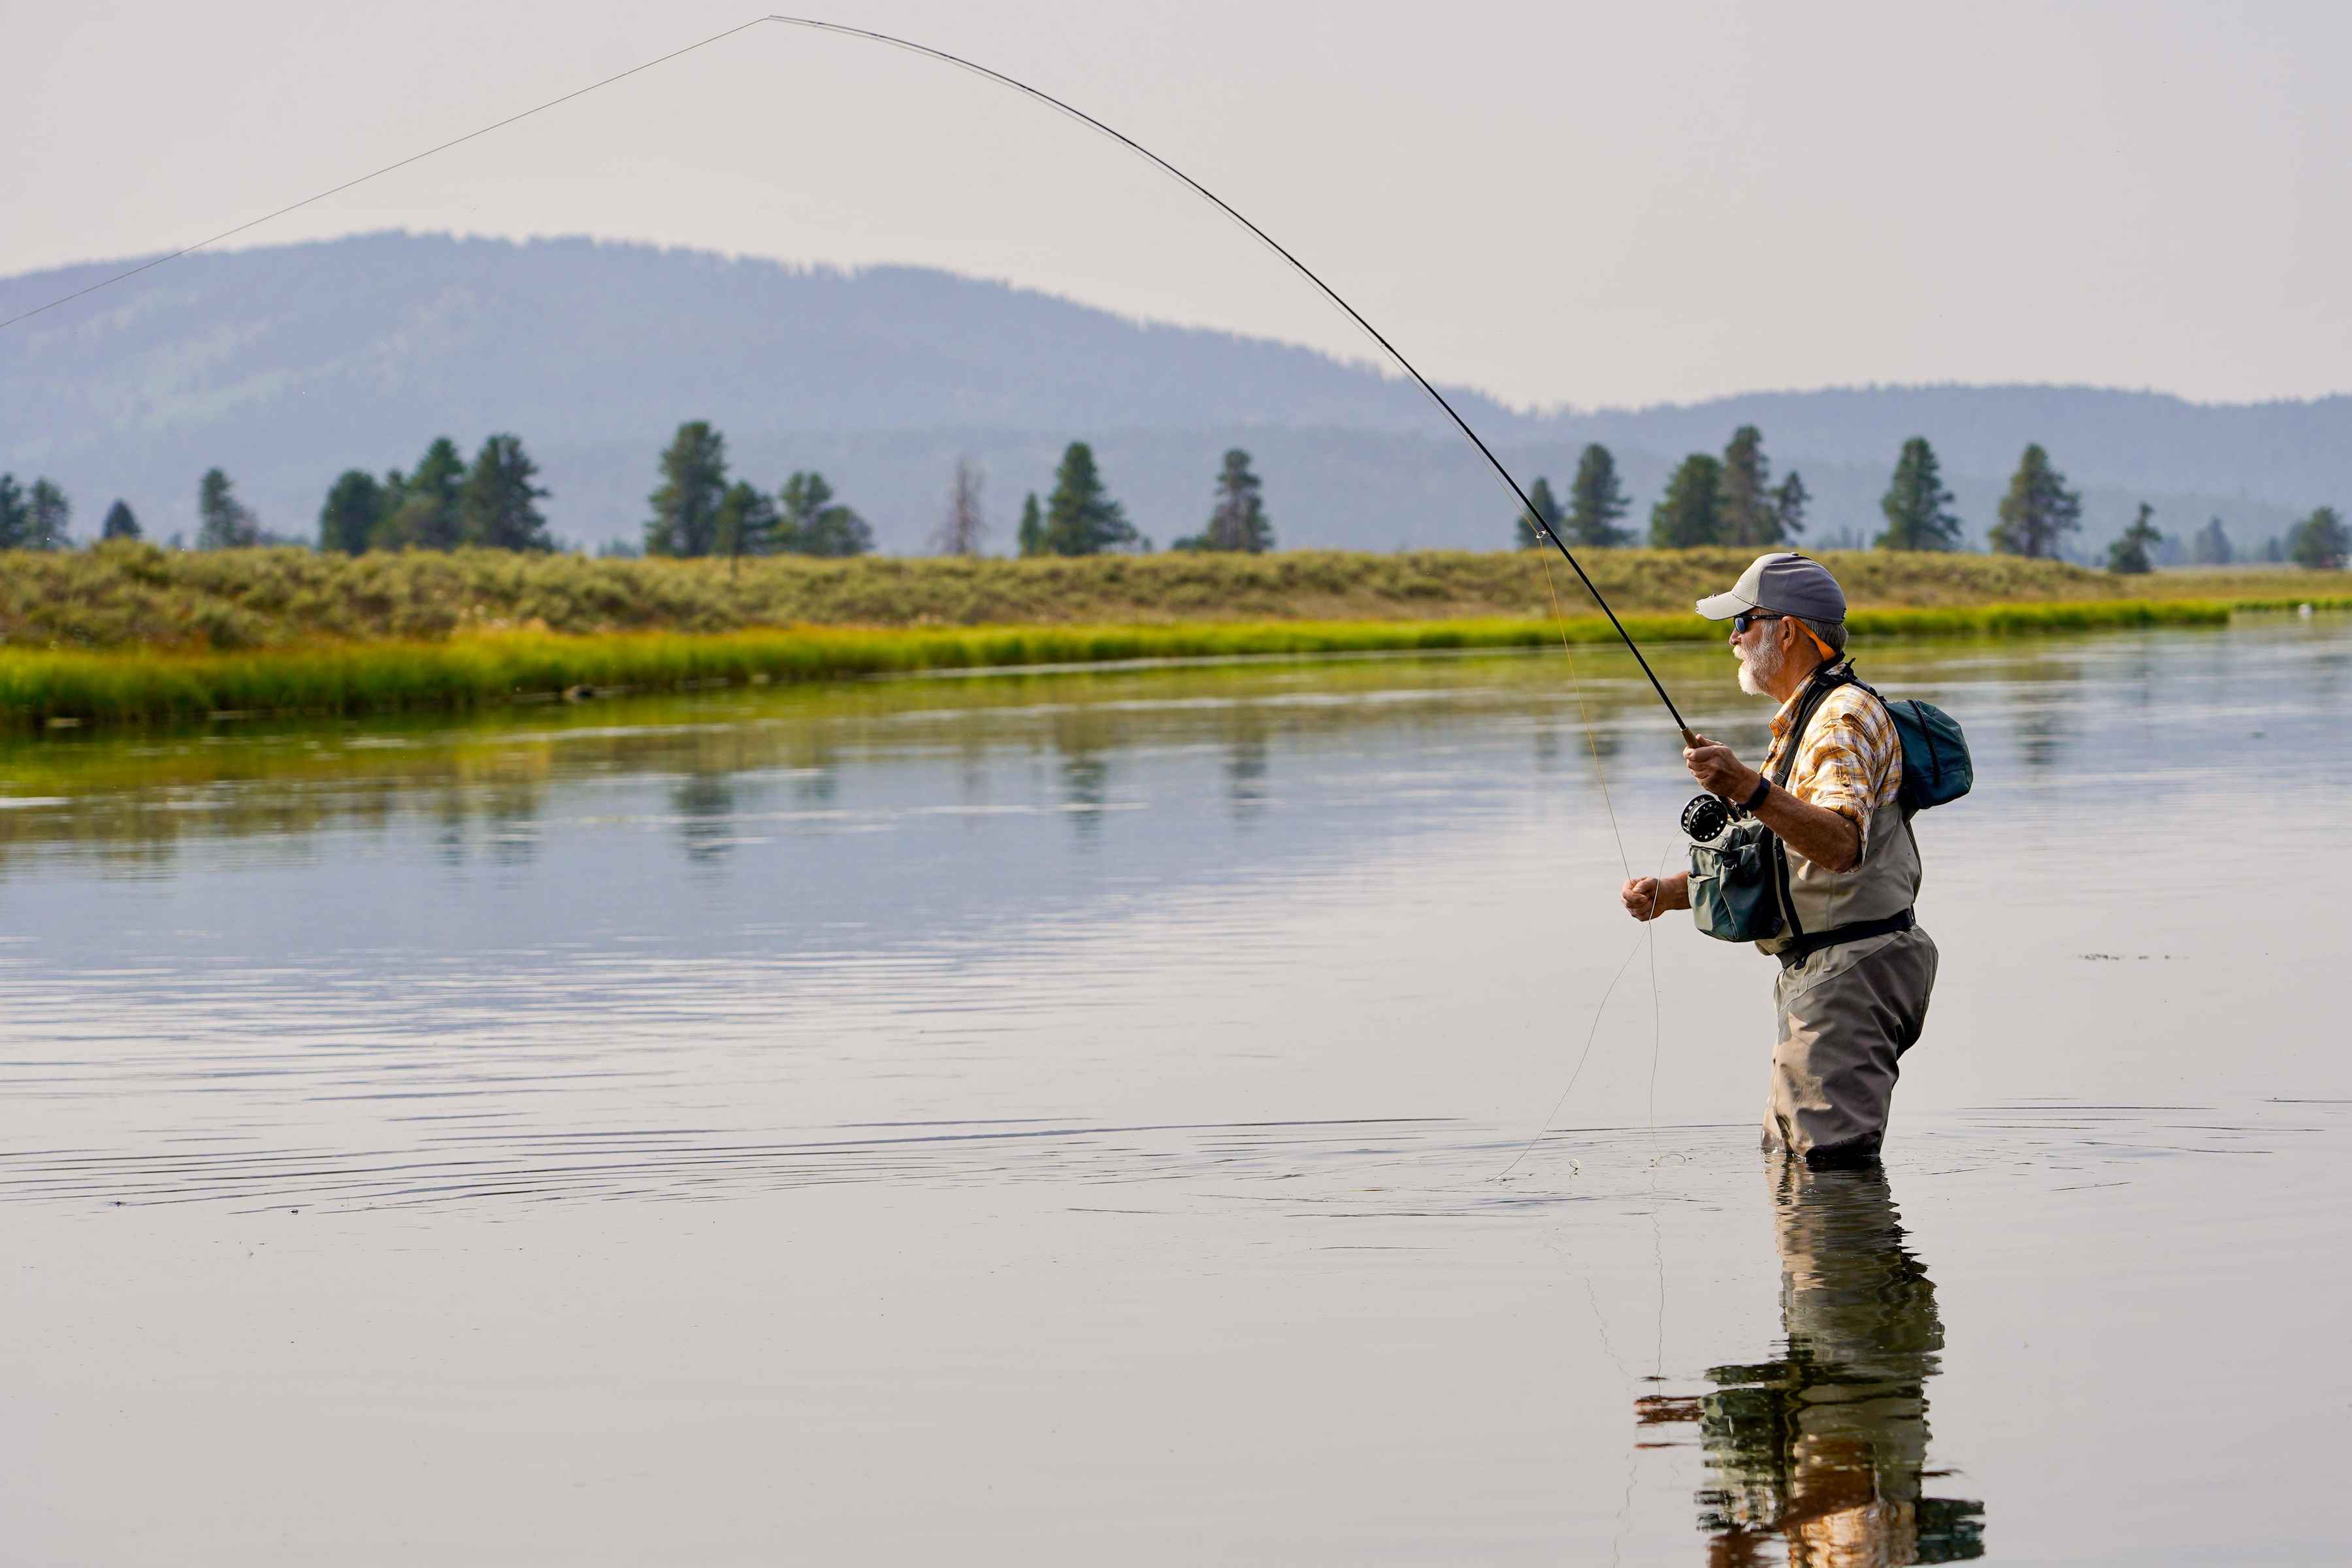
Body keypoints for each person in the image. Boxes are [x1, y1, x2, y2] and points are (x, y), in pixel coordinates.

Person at [1619, 551, 1936, 1166]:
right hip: (1832, 972)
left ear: (1786, 630)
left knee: (1826, 1175)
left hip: (1850, 972)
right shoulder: (1806, 722)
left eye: (1743, 624)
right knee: (1792, 1165)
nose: (1733, 640)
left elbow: (1841, 845)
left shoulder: (1842, 719)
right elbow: (1781, 859)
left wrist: (1746, 787)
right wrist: (1670, 892)